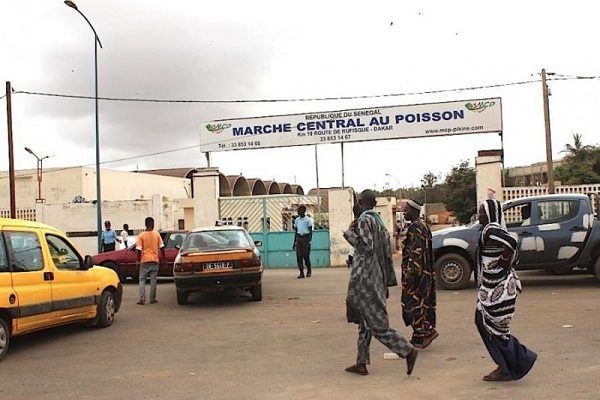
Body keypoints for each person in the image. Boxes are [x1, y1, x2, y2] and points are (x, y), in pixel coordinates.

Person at [343, 189, 418, 376]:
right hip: (376, 276)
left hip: (365, 278)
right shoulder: (379, 222)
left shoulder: (364, 220)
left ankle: (407, 351)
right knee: (365, 322)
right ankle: (361, 362)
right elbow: (385, 253)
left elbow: (366, 247)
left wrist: (349, 235)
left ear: (360, 202)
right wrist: (385, 280)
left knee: (376, 325)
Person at [475, 198, 537, 381]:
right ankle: (510, 364)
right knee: (489, 325)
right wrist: (504, 258)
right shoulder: (494, 229)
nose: (478, 215)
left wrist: (504, 258)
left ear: (490, 214)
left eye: (481, 212)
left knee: (492, 327)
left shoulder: (491, 228)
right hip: (494, 288)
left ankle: (514, 363)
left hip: (497, 290)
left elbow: (511, 241)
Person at [401, 200, 438, 349]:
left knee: (411, 305)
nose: (404, 213)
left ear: (414, 211)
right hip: (426, 273)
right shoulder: (424, 226)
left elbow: (416, 254)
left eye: (406, 210)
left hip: (417, 275)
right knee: (422, 305)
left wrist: (410, 275)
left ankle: (427, 331)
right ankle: (417, 337)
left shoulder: (415, 227)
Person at [136, 217, 165, 305]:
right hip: (155, 259)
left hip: (144, 260)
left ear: (145, 224)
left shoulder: (141, 236)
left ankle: (142, 299)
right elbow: (162, 247)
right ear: (153, 224)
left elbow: (138, 250)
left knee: (142, 279)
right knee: (153, 280)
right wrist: (164, 258)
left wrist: (137, 261)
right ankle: (152, 299)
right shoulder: (156, 234)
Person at [293, 205, 313, 278]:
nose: (298, 212)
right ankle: (301, 272)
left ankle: (309, 270)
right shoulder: (297, 220)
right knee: (299, 256)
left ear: (303, 211)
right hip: (299, 238)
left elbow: (310, 232)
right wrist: (294, 242)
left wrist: (309, 241)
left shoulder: (308, 220)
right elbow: (296, 232)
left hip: (305, 238)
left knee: (306, 256)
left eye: (299, 211)